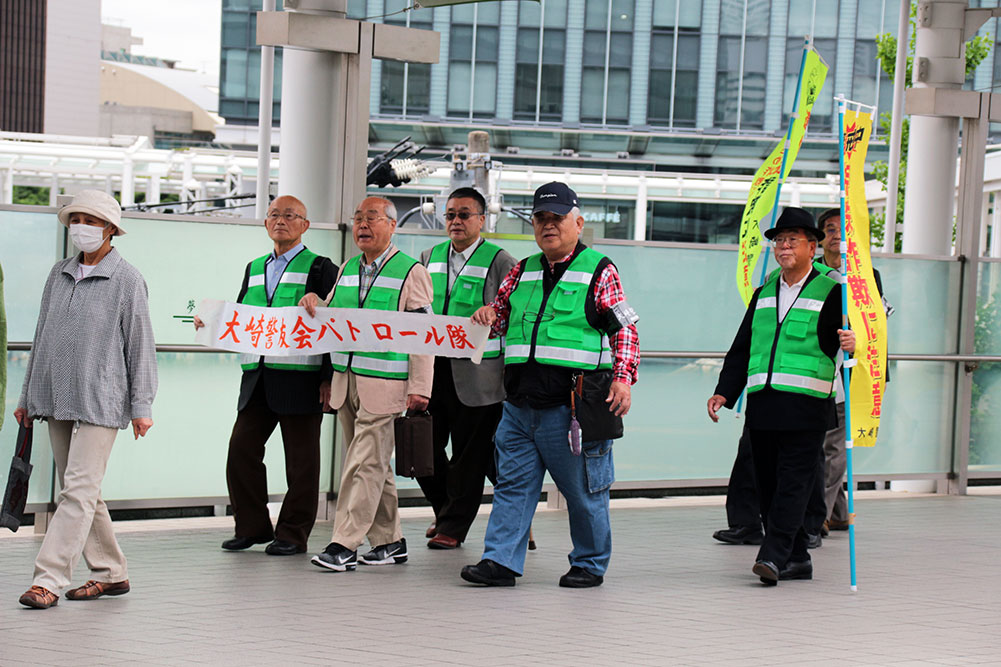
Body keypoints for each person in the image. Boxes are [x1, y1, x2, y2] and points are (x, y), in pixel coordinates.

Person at [460, 182, 639, 588]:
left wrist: (624, 380)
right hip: (520, 406)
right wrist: (489, 314)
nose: (548, 225)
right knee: (512, 488)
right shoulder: (523, 270)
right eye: (541, 219)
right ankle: (500, 562)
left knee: (584, 492)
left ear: (577, 222)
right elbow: (503, 317)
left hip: (573, 409)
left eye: (556, 218)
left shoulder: (600, 269)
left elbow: (625, 331)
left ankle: (589, 563)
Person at [14, 190, 158, 609]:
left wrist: (142, 406)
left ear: (111, 229)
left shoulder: (127, 279)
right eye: (76, 218)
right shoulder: (58, 273)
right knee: (81, 489)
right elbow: (42, 337)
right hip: (54, 394)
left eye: (91, 220)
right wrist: (27, 395)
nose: (82, 226)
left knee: (76, 489)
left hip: (103, 397)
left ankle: (48, 578)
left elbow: (140, 345)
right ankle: (112, 573)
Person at [707, 207, 855, 586]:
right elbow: (743, 347)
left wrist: (854, 342)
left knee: (792, 482)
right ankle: (798, 559)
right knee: (769, 483)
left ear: (812, 246)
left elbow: (859, 341)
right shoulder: (765, 291)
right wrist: (725, 391)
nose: (783, 246)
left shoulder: (834, 290)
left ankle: (772, 556)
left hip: (807, 405)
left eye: (792, 240)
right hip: (764, 403)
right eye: (778, 240)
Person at [194, 195, 337, 556]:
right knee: (241, 450)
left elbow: (337, 325)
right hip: (256, 375)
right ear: (265, 222)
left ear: (305, 225)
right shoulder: (254, 267)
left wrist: (327, 377)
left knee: (302, 463)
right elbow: (243, 315)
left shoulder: (320, 267)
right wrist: (211, 322)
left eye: (290, 216)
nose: (281, 221)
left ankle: (292, 534)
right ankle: (253, 527)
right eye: (274, 214)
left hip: (300, 378)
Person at [301, 196, 433, 572]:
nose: (362, 224)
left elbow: (423, 336)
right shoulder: (346, 269)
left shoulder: (411, 272)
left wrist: (420, 386)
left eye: (372, 217)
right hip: (348, 381)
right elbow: (329, 314)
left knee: (363, 464)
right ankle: (390, 542)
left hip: (387, 385)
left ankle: (344, 542)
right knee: (374, 465)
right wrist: (314, 301)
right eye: (358, 217)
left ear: (392, 225)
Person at [417, 187, 516, 549]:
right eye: (450, 215)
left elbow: (511, 315)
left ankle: (453, 527)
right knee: (421, 448)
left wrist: (494, 314)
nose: (456, 222)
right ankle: (447, 509)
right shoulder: (429, 256)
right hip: (432, 370)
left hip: (479, 376)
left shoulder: (501, 260)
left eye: (464, 215)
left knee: (468, 455)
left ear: (481, 219)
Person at [815, 208, 891, 534]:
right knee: (821, 446)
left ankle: (817, 514)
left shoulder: (866, 276)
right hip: (817, 370)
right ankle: (839, 511)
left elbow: (878, 321)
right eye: (829, 230)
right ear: (819, 239)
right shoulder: (811, 274)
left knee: (834, 446)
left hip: (854, 373)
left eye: (841, 230)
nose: (836, 236)